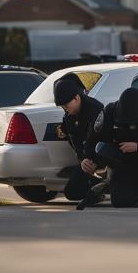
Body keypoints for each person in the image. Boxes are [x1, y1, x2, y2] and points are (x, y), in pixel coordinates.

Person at [53, 76, 107, 209]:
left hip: (103, 159)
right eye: (62, 107)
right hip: (87, 161)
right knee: (71, 192)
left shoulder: (95, 109)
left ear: (76, 98)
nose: (65, 109)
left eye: (66, 105)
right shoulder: (69, 117)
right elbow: (74, 141)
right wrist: (83, 160)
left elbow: (102, 139)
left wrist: (94, 161)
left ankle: (109, 185)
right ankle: (97, 193)